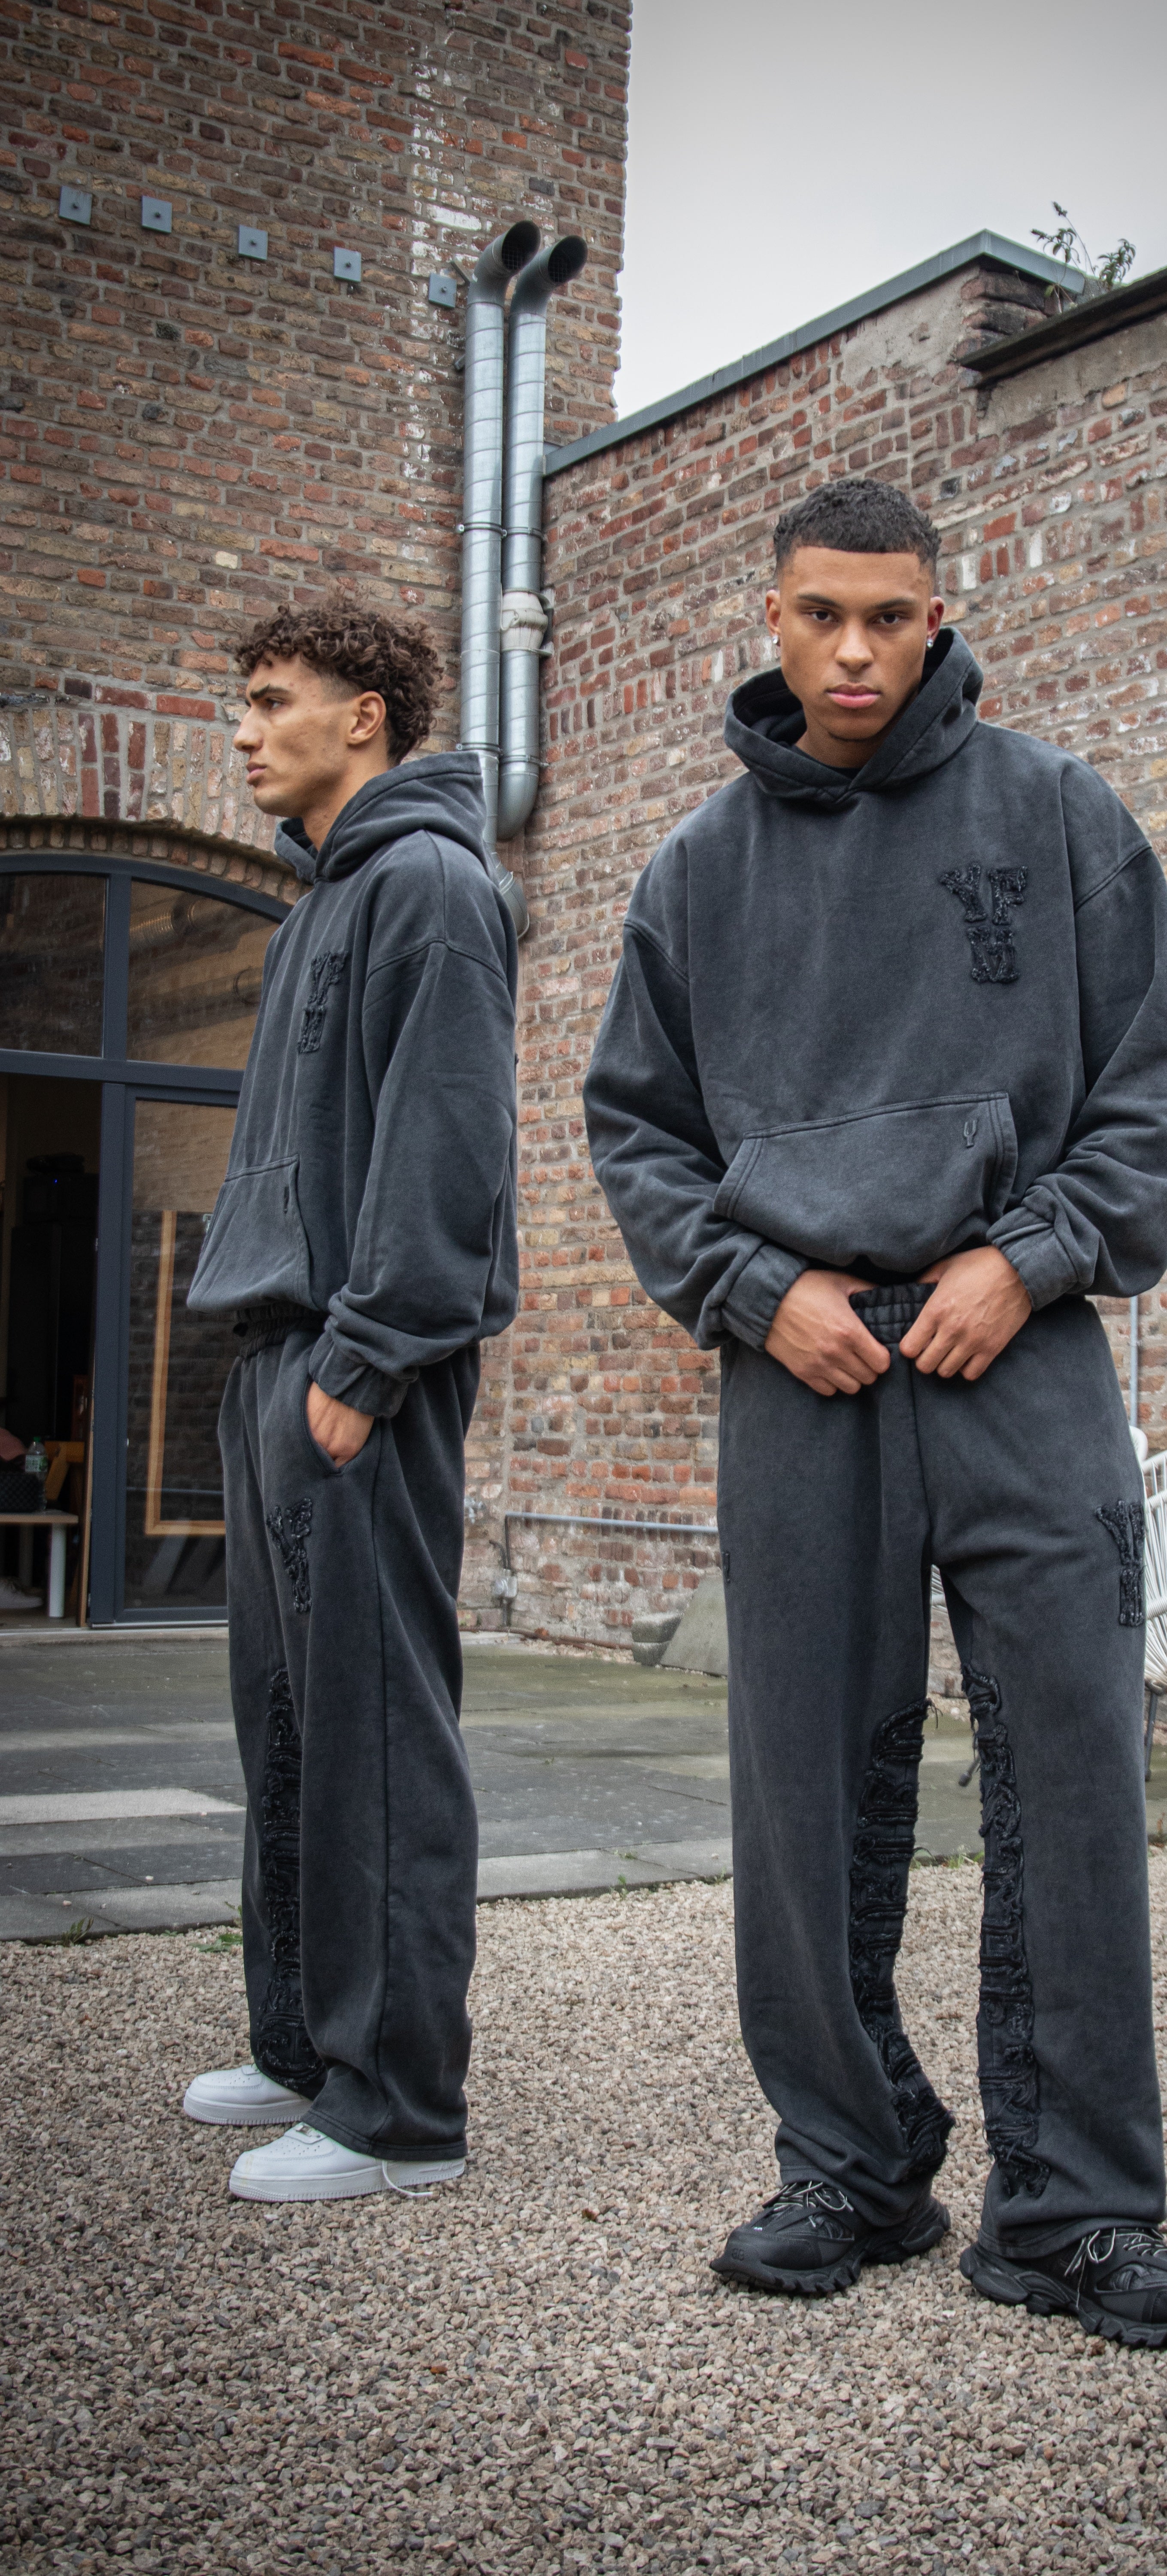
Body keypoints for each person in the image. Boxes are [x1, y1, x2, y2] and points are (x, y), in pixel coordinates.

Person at [584, 475, 1167, 2347]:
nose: (857, 652)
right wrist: (752, 1290)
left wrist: (1029, 1259)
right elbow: (637, 1130)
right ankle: (851, 2165)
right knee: (802, 1783)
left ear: (937, 617)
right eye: (822, 615)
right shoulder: (696, 869)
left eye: (890, 616)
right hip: (799, 1368)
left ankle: (1072, 2210)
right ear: (774, 621)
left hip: (1016, 1355)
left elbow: (1158, 1090)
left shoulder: (1055, 814)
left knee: (1073, 1771)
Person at [180, 602, 519, 2203]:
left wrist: (367, 1362)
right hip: (281, 1361)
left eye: (272, 702)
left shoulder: (433, 887)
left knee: (375, 1735)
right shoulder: (319, 901)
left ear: (366, 714)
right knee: (289, 1728)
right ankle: (307, 2045)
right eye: (243, 705)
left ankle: (399, 2114)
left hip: (355, 1373)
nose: (246, 732)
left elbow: (450, 1146)